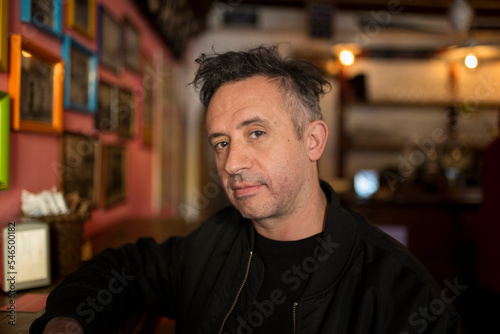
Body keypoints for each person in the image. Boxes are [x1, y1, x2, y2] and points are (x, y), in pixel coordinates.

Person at [30, 45, 460, 334]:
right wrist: (66, 315)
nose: (232, 163)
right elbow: (126, 267)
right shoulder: (214, 242)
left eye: (256, 133)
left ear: (313, 140)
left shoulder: (400, 293)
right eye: (221, 142)